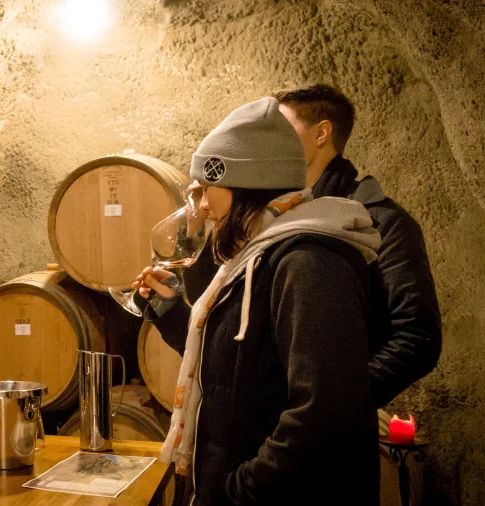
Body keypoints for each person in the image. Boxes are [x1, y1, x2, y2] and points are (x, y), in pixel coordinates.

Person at [139, 84, 441, 408]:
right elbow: (232, 354)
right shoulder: (261, 224)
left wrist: (332, 407)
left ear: (321, 133)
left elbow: (416, 338)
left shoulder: (377, 221)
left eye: (283, 126)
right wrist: (170, 311)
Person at [152, 97, 381, 505]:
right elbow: (237, 368)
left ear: (245, 185)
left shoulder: (309, 264)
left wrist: (241, 487)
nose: (202, 207)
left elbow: (323, 413)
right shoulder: (256, 259)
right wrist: (171, 312)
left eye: (208, 189)